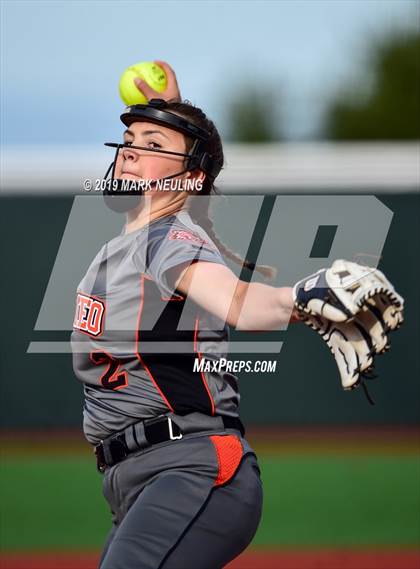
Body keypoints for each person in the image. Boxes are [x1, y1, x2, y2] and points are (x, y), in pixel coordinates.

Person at [71, 61, 302, 569]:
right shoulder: (128, 245)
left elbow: (238, 301)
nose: (131, 148)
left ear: (192, 176)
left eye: (153, 144)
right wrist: (171, 114)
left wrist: (298, 299)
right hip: (137, 478)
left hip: (193, 469)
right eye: (131, 137)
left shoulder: (168, 239)